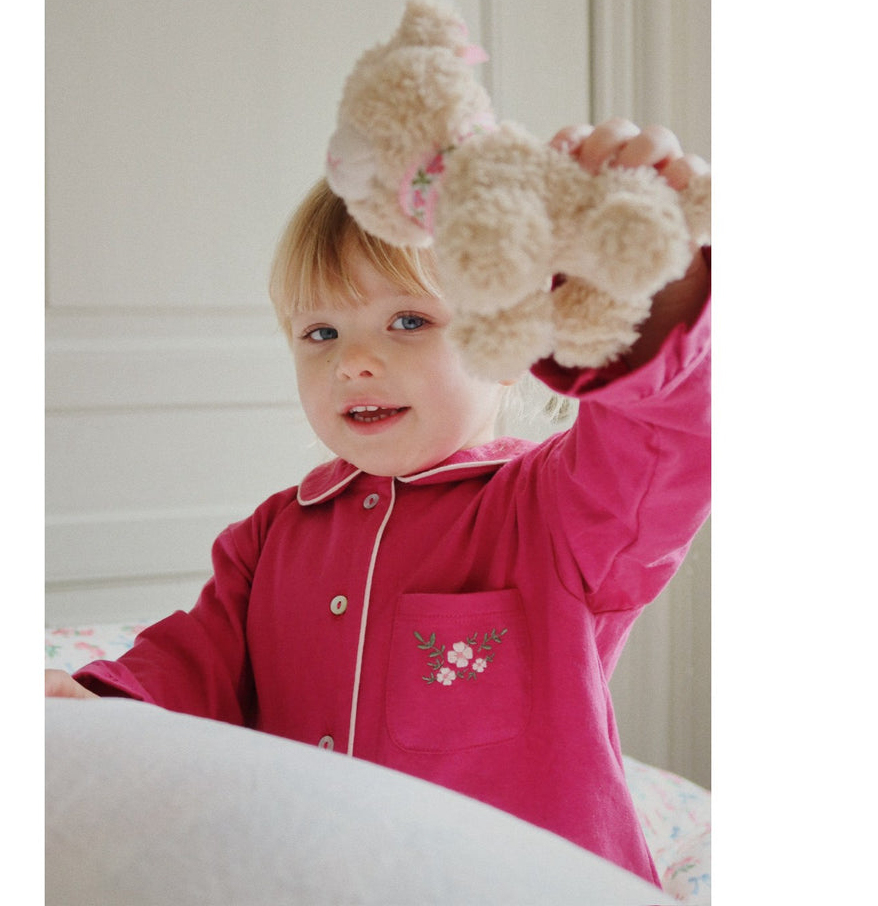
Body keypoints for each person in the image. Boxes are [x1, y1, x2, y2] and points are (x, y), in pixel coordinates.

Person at [46, 118, 711, 887]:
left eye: (409, 321)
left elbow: (663, 437)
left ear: (509, 344)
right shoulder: (271, 535)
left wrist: (651, 291)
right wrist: (93, 701)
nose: (354, 361)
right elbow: (193, 665)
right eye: (320, 332)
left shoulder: (555, 510)